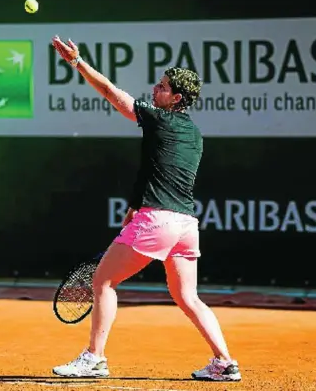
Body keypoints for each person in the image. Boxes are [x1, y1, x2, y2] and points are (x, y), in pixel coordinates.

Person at [50, 36, 241, 382]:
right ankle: (224, 362)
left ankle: (94, 358)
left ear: (176, 99)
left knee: (103, 281)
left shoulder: (157, 119)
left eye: (163, 87)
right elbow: (162, 168)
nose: (156, 89)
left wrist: (77, 63)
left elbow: (109, 91)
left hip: (159, 220)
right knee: (188, 297)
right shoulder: (195, 134)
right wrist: (136, 204)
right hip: (186, 224)